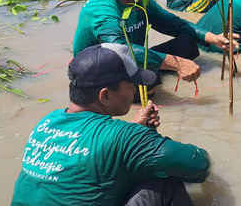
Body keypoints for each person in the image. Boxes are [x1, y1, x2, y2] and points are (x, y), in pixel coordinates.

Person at [11, 43, 210, 206]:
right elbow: (198, 163)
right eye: (132, 86)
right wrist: (141, 140)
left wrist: (136, 131)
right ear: (105, 95)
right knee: (164, 179)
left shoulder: (47, 121)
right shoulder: (126, 138)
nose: (135, 91)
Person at [73, 0, 238, 89]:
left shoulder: (140, 0)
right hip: (99, 71)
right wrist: (176, 63)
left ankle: (154, 71)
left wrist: (213, 38)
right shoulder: (103, 8)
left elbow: (175, 24)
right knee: (150, 83)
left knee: (187, 45)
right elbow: (119, 49)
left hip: (129, 60)